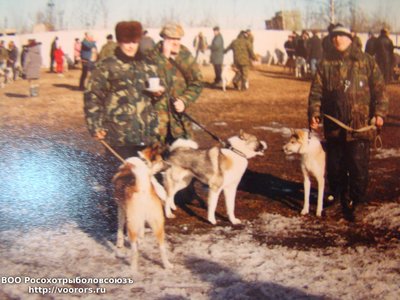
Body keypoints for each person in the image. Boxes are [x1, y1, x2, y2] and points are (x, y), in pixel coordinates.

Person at [308, 24, 389, 221]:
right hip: (334, 125)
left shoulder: (366, 61)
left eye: (342, 36)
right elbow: (316, 92)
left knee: (358, 164)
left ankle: (357, 199)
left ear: (350, 38)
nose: (338, 40)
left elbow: (380, 90)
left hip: (360, 125)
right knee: (335, 165)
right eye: (335, 37)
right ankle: (336, 196)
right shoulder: (325, 63)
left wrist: (380, 113)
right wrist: (314, 112)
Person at [84, 20, 162, 165]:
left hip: (146, 134)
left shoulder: (148, 64)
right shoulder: (106, 65)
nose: (131, 46)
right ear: (119, 41)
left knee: (149, 178)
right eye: (126, 42)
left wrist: (158, 94)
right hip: (118, 135)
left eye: (134, 41)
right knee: (121, 179)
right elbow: (92, 96)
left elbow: (155, 96)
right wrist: (94, 125)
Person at [146, 22, 203, 143]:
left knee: (183, 154)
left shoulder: (185, 56)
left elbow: (197, 82)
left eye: (178, 39)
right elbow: (145, 81)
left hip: (179, 119)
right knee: (156, 156)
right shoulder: (152, 56)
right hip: (157, 120)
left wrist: (184, 100)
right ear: (164, 38)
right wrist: (164, 57)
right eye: (172, 39)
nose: (176, 42)